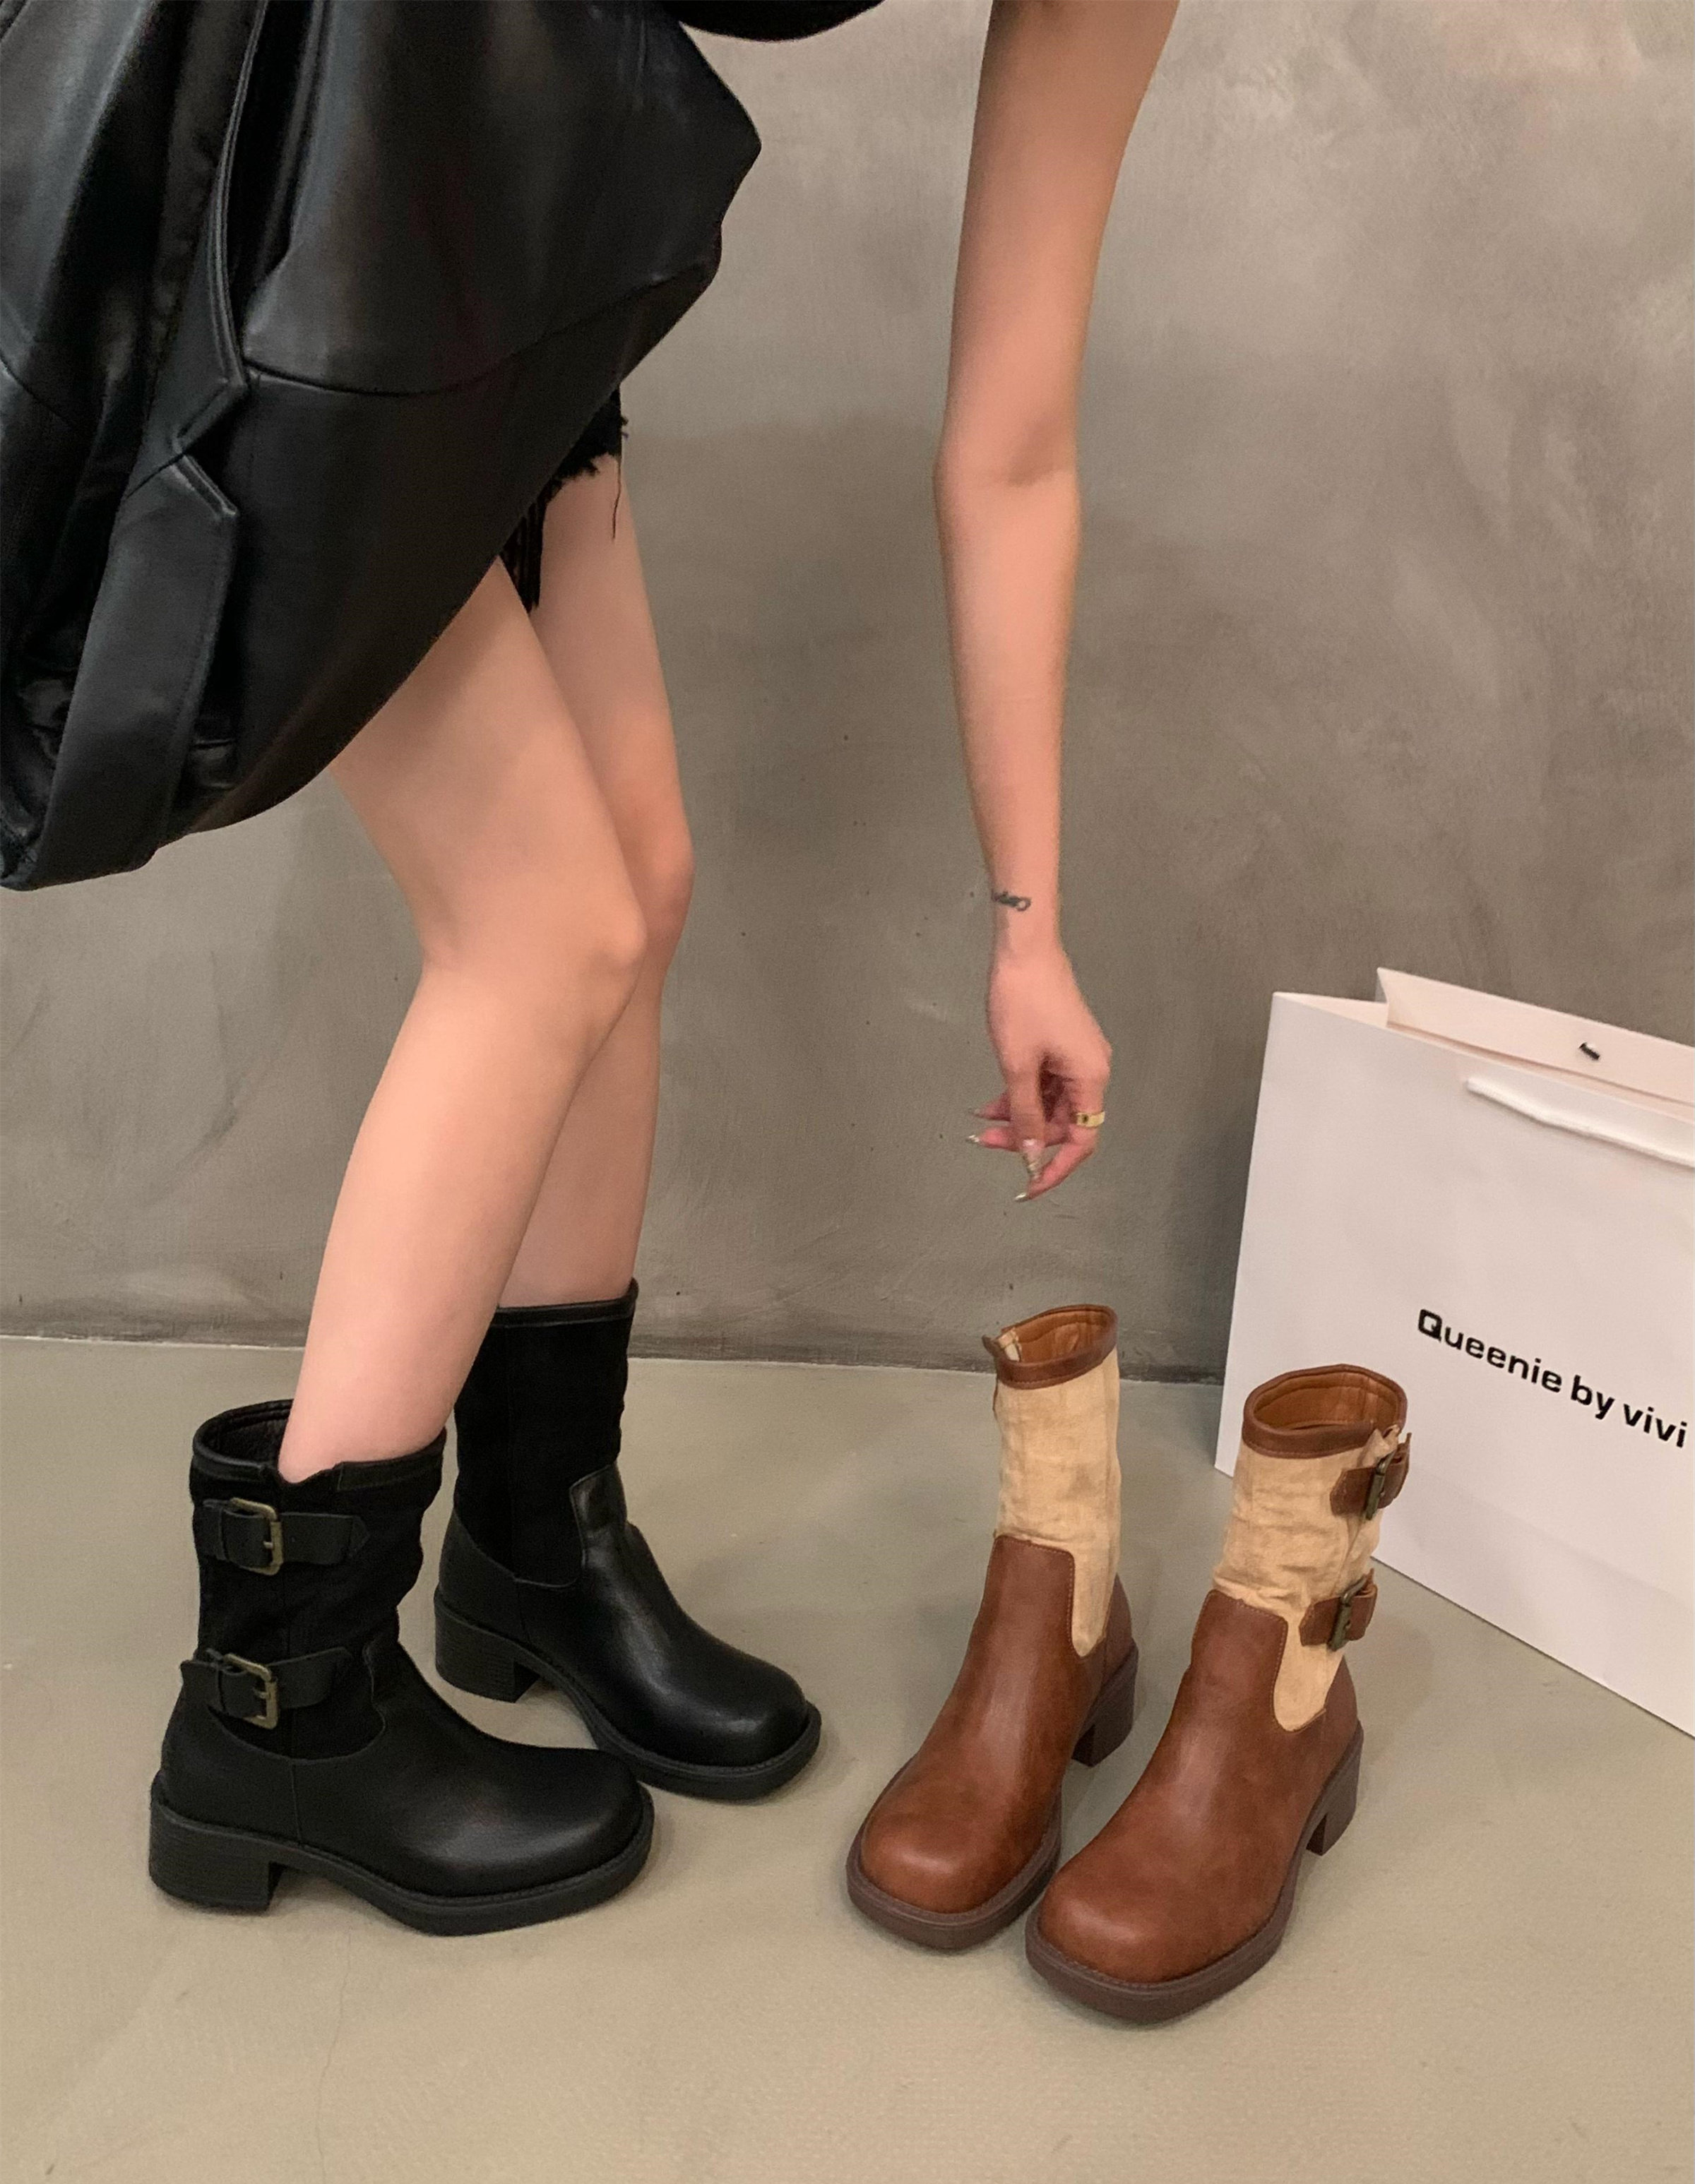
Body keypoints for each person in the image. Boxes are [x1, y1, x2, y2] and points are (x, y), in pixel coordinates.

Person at [128, 0, 1179, 1932]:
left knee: (640, 882)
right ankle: (280, 1702)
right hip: (272, 215)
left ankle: (539, 1542)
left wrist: (1029, 926)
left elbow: (1015, 452)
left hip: (491, 271)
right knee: (543, 932)